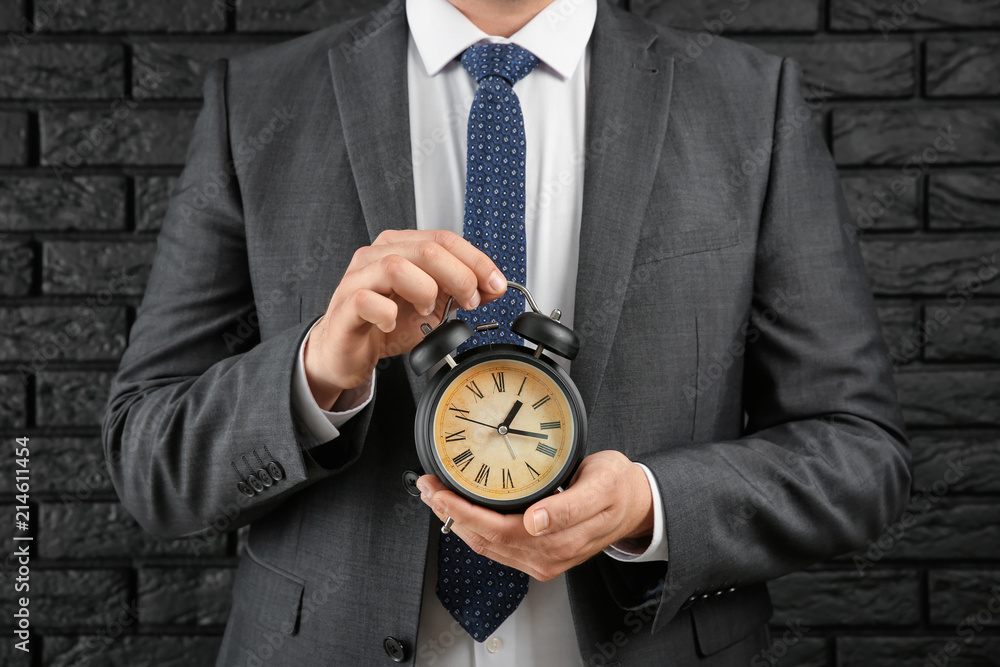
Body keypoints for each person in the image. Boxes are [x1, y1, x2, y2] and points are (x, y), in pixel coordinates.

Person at [102, 0, 912, 664]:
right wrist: (315, 374)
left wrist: (648, 507)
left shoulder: (746, 102)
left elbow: (859, 453)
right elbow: (148, 459)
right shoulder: (262, 102)